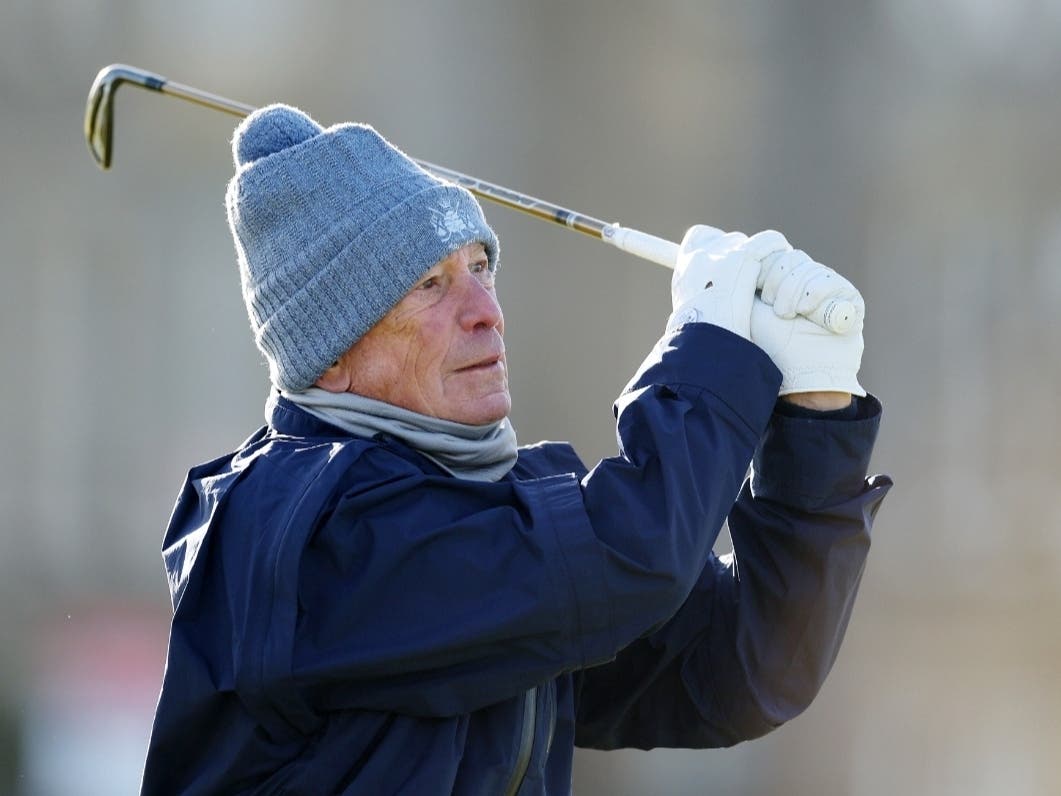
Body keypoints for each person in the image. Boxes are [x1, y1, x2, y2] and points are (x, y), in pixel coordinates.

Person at [140, 104, 891, 795]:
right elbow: (627, 557)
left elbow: (748, 670)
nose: (485, 313)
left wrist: (813, 412)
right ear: (330, 357)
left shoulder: (488, 517)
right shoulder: (304, 532)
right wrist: (708, 351)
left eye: (479, 267)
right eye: (429, 286)